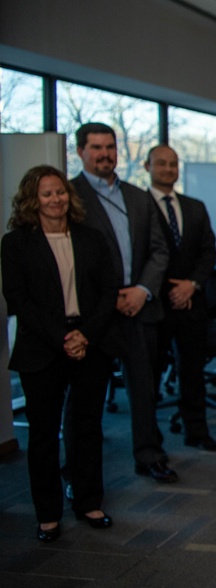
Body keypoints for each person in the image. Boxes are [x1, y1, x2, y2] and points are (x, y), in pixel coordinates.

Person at [2, 166, 122, 541]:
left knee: (86, 427)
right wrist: (63, 337)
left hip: (91, 342)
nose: (56, 200)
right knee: (42, 434)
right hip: (43, 347)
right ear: (31, 200)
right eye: (47, 194)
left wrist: (84, 334)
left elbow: (109, 290)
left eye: (60, 193)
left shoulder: (90, 238)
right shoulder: (16, 243)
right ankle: (47, 514)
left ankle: (88, 502)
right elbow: (19, 300)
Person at [70, 123, 174, 483]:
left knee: (144, 388)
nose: (105, 154)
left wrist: (142, 289)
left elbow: (160, 250)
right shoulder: (69, 197)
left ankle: (148, 453)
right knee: (86, 397)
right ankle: (79, 470)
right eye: (96, 147)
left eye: (110, 147)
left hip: (139, 303)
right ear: (81, 151)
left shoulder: (137, 196)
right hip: (93, 312)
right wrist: (107, 297)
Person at [144, 145, 216, 452]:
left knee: (192, 373)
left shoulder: (194, 206)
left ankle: (197, 431)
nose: (168, 169)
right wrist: (168, 289)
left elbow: (208, 251)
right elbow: (140, 256)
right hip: (155, 305)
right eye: (161, 163)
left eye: (173, 163)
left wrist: (192, 284)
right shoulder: (139, 206)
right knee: (149, 379)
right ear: (148, 166)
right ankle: (152, 444)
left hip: (191, 303)